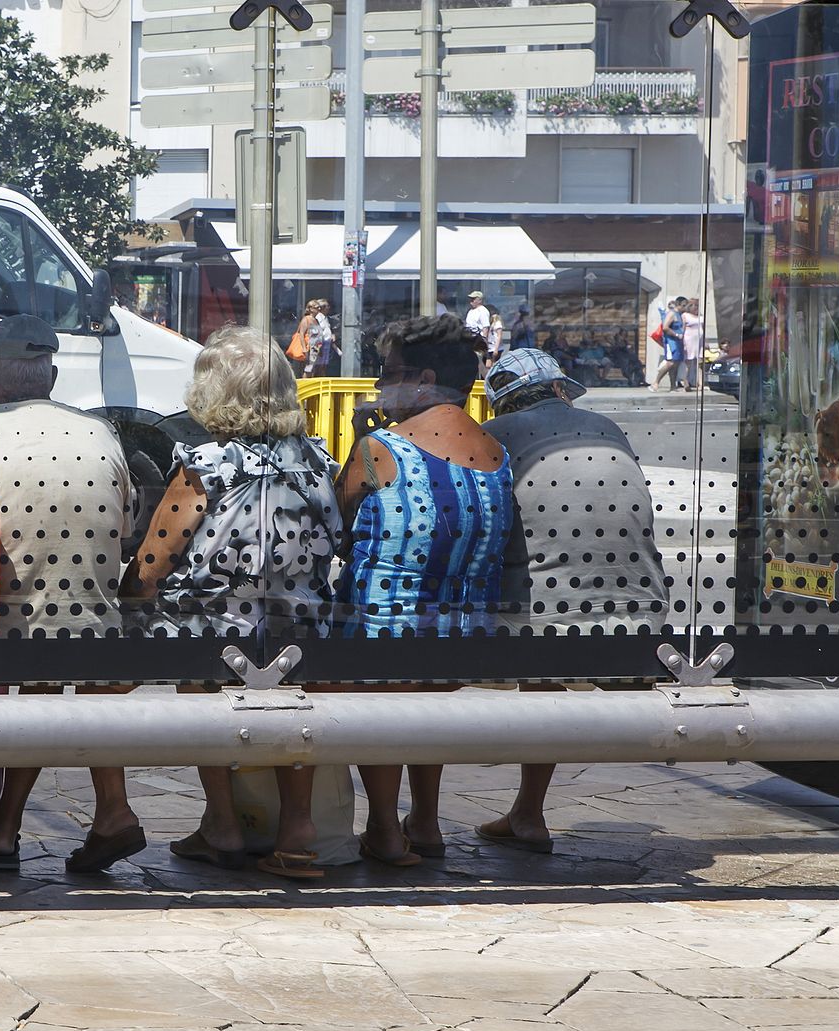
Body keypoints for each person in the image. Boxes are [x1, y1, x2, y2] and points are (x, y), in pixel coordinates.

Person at [0, 315, 145, 874]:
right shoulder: (100, 431)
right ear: (52, 373)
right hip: (87, 620)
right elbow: (129, 518)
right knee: (42, 678)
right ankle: (8, 826)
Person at [124, 326, 342, 880]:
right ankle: (296, 829)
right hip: (300, 627)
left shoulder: (207, 463)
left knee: (192, 677)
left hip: (213, 627)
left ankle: (221, 822)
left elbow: (156, 559)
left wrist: (129, 601)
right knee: (293, 695)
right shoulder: (317, 460)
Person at [336, 314, 513, 864]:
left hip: (384, 627)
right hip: (463, 632)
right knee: (428, 707)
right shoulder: (495, 453)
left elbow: (337, 520)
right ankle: (428, 822)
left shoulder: (382, 449)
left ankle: (386, 830)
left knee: (381, 715)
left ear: (423, 378)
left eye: (387, 374)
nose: (378, 386)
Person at [478, 349, 669, 852]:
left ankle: (526, 812)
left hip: (544, 617)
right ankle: (525, 812)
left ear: (502, 402)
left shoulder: (495, 436)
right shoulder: (604, 426)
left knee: (537, 667)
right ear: (560, 390)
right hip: (644, 609)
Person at [651, 297, 687, 391]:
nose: (685, 307)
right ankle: (655, 383)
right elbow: (665, 327)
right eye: (684, 305)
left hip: (678, 342)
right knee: (670, 363)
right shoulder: (671, 314)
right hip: (671, 342)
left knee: (675, 364)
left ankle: (673, 386)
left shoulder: (679, 315)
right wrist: (676, 334)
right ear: (678, 304)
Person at [682, 298, 707, 391]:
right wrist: (682, 343)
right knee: (688, 362)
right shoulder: (685, 315)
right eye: (694, 305)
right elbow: (683, 329)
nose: (696, 308)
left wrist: (705, 341)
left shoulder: (701, 316)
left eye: (697, 306)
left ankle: (700, 383)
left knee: (700, 363)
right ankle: (686, 382)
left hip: (699, 341)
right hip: (689, 341)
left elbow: (703, 329)